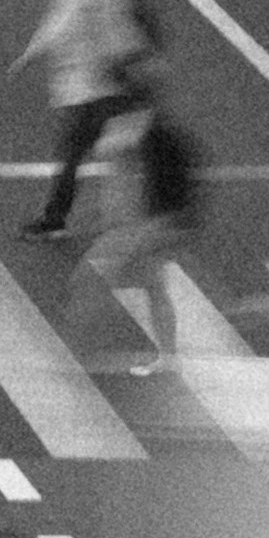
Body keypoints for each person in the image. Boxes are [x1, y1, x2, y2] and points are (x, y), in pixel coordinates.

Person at [15, 0, 155, 239]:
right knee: (105, 152)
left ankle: (62, 220)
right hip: (97, 84)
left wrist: (131, 63)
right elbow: (61, 22)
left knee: (89, 152)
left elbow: (112, 26)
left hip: (104, 84)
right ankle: (121, 219)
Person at [82, 66, 203, 356]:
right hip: (156, 222)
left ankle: (87, 351)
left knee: (91, 279)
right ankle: (168, 355)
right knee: (153, 287)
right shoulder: (150, 130)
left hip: (148, 224)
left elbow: (120, 168)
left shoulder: (137, 132)